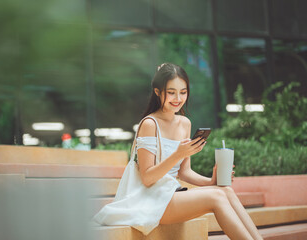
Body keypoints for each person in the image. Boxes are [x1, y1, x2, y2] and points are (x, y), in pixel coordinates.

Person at [93, 63, 263, 240]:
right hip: (148, 200)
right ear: (158, 92)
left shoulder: (184, 123)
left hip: (170, 193)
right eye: (171, 92)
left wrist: (211, 181)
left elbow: (184, 172)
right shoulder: (150, 124)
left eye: (183, 92)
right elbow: (147, 178)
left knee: (226, 190)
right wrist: (178, 154)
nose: (178, 98)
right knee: (217, 197)